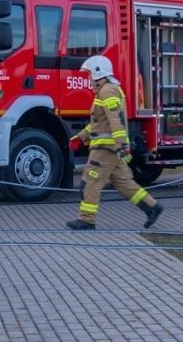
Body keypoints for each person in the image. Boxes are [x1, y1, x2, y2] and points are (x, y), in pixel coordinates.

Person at [67, 55, 163, 231]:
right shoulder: (106, 90)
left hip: (105, 149)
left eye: (89, 74)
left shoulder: (107, 91)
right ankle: (152, 207)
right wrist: (81, 136)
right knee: (123, 183)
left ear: (98, 72)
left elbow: (116, 120)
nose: (88, 78)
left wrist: (122, 145)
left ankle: (86, 219)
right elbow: (99, 123)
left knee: (90, 182)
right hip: (111, 148)